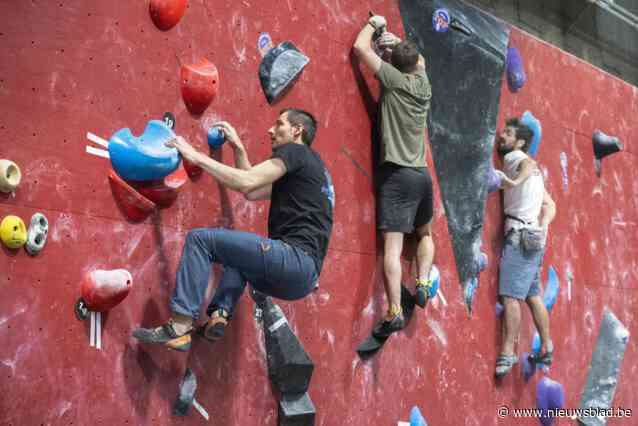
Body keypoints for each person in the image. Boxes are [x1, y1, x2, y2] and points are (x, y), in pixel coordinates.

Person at [133, 109, 334, 351]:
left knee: (200, 241)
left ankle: (179, 326)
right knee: (240, 259)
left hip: (293, 260)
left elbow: (245, 181)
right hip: (301, 281)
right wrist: (238, 148)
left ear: (297, 130)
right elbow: (251, 189)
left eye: (279, 124)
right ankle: (220, 312)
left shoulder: (296, 151)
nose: (271, 130)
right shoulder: (314, 171)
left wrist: (195, 156)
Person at [353, 14, 435, 337]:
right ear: (414, 65)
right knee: (425, 235)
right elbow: (419, 60)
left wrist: (376, 26)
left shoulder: (391, 78)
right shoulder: (424, 85)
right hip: (421, 175)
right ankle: (423, 280)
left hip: (397, 176)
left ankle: (395, 309)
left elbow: (360, 48)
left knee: (392, 248)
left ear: (394, 64)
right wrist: (395, 39)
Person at [493, 117, 556, 377]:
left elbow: (527, 163)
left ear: (519, 142)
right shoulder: (537, 174)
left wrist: (516, 182)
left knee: (510, 296)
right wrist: (544, 225)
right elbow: (551, 205)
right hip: (533, 237)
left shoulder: (514, 158)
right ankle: (547, 347)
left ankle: (507, 353)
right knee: (532, 295)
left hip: (519, 237)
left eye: (507, 133)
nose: (501, 136)